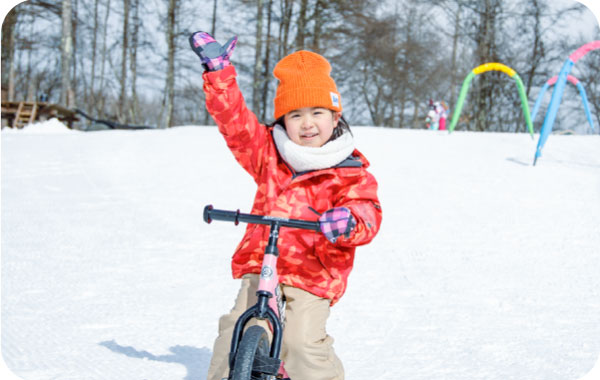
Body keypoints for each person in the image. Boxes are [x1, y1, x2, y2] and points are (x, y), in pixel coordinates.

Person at [190, 31, 382, 380]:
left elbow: (367, 211)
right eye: (295, 115)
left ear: (335, 117)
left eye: (317, 112)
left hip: (312, 273)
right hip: (262, 262)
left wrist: (349, 220)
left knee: (302, 343)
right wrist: (219, 75)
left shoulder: (349, 171)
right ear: (282, 121)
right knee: (234, 328)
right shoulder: (268, 154)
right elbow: (235, 124)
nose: (307, 124)